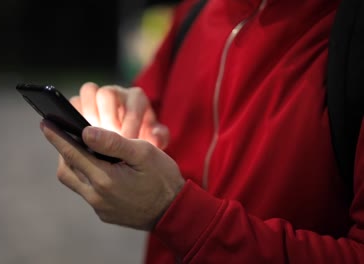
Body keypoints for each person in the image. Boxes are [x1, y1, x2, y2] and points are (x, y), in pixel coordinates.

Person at [39, 0, 364, 262]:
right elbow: (148, 102)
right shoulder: (195, 11)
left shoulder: (348, 34)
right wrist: (118, 110)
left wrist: (173, 212)